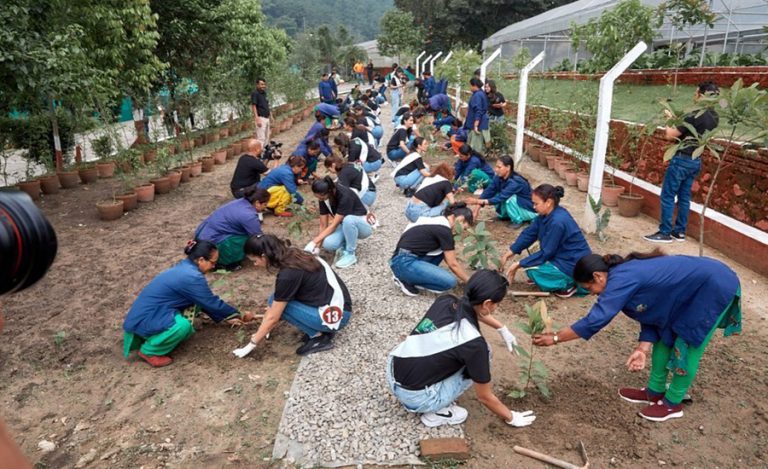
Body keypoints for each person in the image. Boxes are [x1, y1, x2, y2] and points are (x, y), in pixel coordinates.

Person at [533, 250, 741, 422]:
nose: (592, 293)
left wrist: (556, 338)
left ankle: (673, 403)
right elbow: (650, 311)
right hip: (690, 289)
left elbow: (596, 319)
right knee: (663, 336)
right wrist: (642, 349)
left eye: (590, 288)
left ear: (598, 276)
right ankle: (654, 391)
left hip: (713, 286)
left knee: (687, 342)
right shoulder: (621, 276)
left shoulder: (621, 279)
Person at [387, 270, 536, 428]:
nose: (496, 308)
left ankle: (421, 392)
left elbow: (473, 310)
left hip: (393, 370)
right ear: (487, 303)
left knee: (466, 353)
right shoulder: (474, 344)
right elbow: (484, 397)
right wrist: (511, 417)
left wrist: (501, 328)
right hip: (416, 397)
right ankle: (435, 412)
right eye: (497, 303)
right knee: (485, 353)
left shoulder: (446, 301)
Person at [123, 241, 252, 367]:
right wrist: (239, 314)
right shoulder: (192, 277)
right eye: (213, 262)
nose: (214, 266)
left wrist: (226, 318)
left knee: (194, 303)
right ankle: (150, 351)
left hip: (150, 313)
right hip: (145, 319)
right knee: (183, 326)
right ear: (201, 260)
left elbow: (202, 301)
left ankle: (157, 337)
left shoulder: (184, 268)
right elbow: (211, 302)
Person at [233, 234, 353, 357]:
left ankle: (318, 337)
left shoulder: (288, 274)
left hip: (338, 316)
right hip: (340, 305)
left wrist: (251, 344)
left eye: (255, 260)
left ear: (264, 256)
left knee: (278, 305)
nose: (255, 264)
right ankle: (321, 329)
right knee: (274, 300)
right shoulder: (295, 254)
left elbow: (273, 317)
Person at [644, 81, 720, 244]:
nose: (694, 96)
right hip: (695, 160)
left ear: (701, 94)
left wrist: (669, 120)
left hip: (682, 159)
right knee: (684, 197)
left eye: (696, 92)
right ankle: (679, 232)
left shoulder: (693, 114)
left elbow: (670, 135)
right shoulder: (714, 116)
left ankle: (664, 232)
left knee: (668, 195)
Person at [501, 184, 592, 298]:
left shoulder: (557, 222)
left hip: (573, 263)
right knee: (531, 258)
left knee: (532, 270)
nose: (533, 207)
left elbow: (547, 252)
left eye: (536, 203)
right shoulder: (546, 215)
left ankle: (569, 285)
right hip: (562, 255)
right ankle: (549, 276)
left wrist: (517, 265)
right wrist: (509, 253)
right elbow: (529, 234)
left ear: (548, 202)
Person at [390, 203, 473, 296]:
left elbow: (447, 255)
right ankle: (403, 278)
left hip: (401, 257)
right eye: (464, 227)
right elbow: (452, 264)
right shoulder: (444, 230)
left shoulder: (437, 219)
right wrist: (470, 281)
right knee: (450, 282)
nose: (462, 231)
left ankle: (411, 275)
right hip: (404, 262)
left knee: (443, 251)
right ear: (458, 218)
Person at [306, 176, 373, 269]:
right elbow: (323, 224)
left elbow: (334, 225)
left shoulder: (344, 195)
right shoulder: (323, 197)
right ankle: (345, 244)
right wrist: (317, 247)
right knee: (328, 243)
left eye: (321, 197)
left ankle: (350, 254)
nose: (319, 199)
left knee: (348, 219)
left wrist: (313, 242)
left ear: (330, 191)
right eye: (317, 197)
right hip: (344, 224)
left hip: (362, 225)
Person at [195, 187, 270, 270]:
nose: (265, 208)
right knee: (248, 238)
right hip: (212, 244)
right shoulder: (248, 215)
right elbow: (258, 237)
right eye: (265, 205)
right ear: (257, 203)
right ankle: (224, 263)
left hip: (202, 236)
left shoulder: (240, 202)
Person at [464, 155, 535, 225]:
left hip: (528, 208)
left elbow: (501, 197)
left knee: (509, 199)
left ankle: (518, 220)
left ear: (508, 167)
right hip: (519, 204)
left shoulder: (515, 182)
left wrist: (476, 201)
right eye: (496, 166)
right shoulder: (498, 177)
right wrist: (476, 210)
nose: (496, 169)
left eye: (499, 167)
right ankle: (507, 215)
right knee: (496, 194)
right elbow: (488, 191)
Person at [464, 77, 490, 154]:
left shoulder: (477, 95)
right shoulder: (481, 93)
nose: (470, 88)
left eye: (470, 86)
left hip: (477, 124)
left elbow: (478, 110)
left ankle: (476, 163)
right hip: (479, 123)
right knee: (474, 145)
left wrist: (476, 125)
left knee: (475, 147)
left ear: (474, 85)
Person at [250, 78, 271, 143]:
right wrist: (257, 118)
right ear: (257, 85)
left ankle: (265, 152)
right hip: (260, 118)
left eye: (264, 84)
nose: (263, 86)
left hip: (267, 118)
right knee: (261, 138)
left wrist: (271, 116)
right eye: (261, 84)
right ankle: (259, 152)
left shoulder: (264, 93)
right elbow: (254, 106)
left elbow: (266, 105)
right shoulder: (255, 94)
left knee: (267, 137)